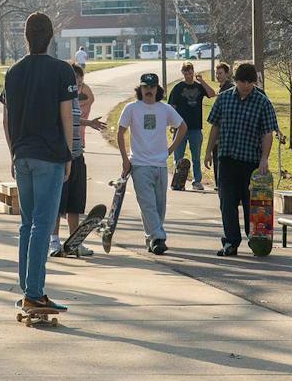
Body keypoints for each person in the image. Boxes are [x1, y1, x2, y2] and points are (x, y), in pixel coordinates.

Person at [1, 11, 76, 320]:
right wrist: (69, 154)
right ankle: (34, 293)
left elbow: (6, 119)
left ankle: (27, 288)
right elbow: (67, 115)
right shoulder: (62, 71)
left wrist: (13, 153)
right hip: (49, 155)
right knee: (43, 225)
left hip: (22, 154)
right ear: (51, 36)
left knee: (26, 224)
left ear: (25, 37)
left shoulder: (13, 72)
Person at [204, 62, 278, 257]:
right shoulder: (224, 99)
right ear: (235, 80)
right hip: (226, 158)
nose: (245, 86)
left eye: (249, 82)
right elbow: (215, 127)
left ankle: (255, 239)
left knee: (250, 204)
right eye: (242, 82)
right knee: (227, 202)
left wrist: (264, 158)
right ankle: (231, 242)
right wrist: (208, 151)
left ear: (254, 82)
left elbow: (267, 133)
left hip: (250, 161)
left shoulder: (262, 102)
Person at [117, 72, 187, 255]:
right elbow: (120, 132)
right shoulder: (131, 108)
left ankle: (152, 238)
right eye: (145, 87)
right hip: (139, 164)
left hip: (160, 164)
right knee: (147, 203)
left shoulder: (164, 109)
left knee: (159, 205)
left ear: (158, 89)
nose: (149, 90)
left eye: (152, 87)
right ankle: (158, 237)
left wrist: (170, 150)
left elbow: (183, 126)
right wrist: (125, 159)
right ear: (140, 89)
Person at [50, 62, 104, 256]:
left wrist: (88, 122)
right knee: (57, 203)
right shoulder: (57, 98)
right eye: (75, 82)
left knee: (75, 202)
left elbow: (72, 119)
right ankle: (54, 242)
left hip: (77, 154)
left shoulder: (74, 100)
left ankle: (74, 241)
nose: (78, 87)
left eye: (80, 83)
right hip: (60, 158)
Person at [167, 62, 215, 190]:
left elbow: (212, 94)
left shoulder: (199, 87)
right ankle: (178, 181)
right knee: (178, 157)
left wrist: (202, 82)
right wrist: (172, 124)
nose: (188, 76)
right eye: (186, 73)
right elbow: (171, 107)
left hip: (195, 127)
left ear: (193, 72)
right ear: (182, 73)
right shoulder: (177, 88)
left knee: (196, 157)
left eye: (190, 73)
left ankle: (196, 181)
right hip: (180, 127)